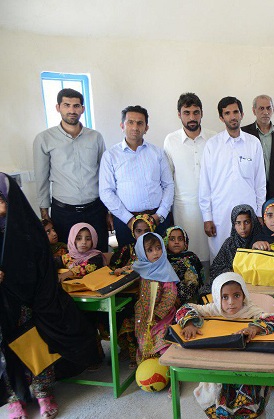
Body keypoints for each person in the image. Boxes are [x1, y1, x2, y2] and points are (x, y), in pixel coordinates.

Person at [0, 172, 101, 419]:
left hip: (28, 299)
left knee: (34, 343)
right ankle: (15, 399)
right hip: (2, 304)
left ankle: (43, 392)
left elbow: (41, 264)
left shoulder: (27, 229)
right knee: (5, 352)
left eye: (1, 199)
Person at [175, 272, 274, 418]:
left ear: (244, 295)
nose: (231, 302)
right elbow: (185, 308)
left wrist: (254, 328)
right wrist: (189, 323)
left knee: (250, 399)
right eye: (224, 297)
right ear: (217, 297)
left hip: (246, 365)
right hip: (219, 362)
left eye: (236, 295)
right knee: (217, 393)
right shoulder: (214, 309)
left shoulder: (249, 310)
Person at [33, 88, 108, 252]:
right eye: (67, 105)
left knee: (100, 253)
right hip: (64, 212)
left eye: (76, 106)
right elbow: (41, 178)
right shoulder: (44, 139)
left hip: (95, 209)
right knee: (67, 257)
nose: (72, 110)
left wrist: (108, 210)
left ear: (82, 109)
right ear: (58, 107)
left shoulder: (95, 137)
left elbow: (105, 175)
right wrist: (44, 213)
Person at [199, 97, 266, 262]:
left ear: (242, 114)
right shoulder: (212, 145)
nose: (232, 116)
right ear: (221, 118)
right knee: (220, 257)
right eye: (227, 113)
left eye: (235, 112)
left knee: (248, 258)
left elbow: (260, 182)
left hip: (248, 214)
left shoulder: (253, 143)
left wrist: (259, 213)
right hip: (220, 214)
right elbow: (205, 184)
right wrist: (207, 217)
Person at [99, 105, 174, 248]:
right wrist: (129, 220)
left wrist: (159, 215)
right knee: (129, 260)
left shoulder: (157, 153)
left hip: (157, 219)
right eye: (130, 122)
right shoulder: (110, 156)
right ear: (122, 126)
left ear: (146, 128)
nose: (135, 127)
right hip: (125, 222)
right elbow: (106, 191)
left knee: (160, 258)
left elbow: (168, 185)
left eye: (140, 123)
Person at [164, 93, 216, 264]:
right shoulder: (171, 140)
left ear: (202, 113)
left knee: (214, 252)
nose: (192, 117)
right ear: (179, 114)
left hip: (213, 207)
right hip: (183, 208)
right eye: (187, 113)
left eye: (196, 112)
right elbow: (168, 178)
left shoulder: (214, 138)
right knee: (187, 255)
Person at [132, 233, 179, 363]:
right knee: (144, 341)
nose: (156, 253)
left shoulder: (165, 270)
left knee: (162, 343)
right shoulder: (140, 267)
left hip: (162, 317)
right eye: (150, 250)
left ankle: (166, 369)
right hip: (144, 315)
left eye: (158, 248)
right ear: (142, 253)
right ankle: (147, 368)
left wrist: (158, 314)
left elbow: (170, 295)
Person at [199, 205, 262, 296]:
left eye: (247, 222)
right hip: (230, 285)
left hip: (256, 287)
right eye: (238, 223)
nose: (243, 227)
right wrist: (231, 272)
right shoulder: (230, 244)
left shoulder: (261, 242)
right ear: (233, 224)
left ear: (253, 222)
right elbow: (215, 269)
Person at [241, 95, 274, 203]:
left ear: (273, 110)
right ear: (254, 111)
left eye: (269, 108)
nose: (265, 112)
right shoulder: (244, 134)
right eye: (261, 108)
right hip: (251, 191)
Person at [163, 226, 204, 305]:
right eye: (172, 239)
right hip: (170, 302)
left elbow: (199, 279)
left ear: (185, 242)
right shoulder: (163, 261)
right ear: (166, 241)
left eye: (180, 239)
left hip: (192, 301)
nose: (176, 242)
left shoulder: (192, 258)